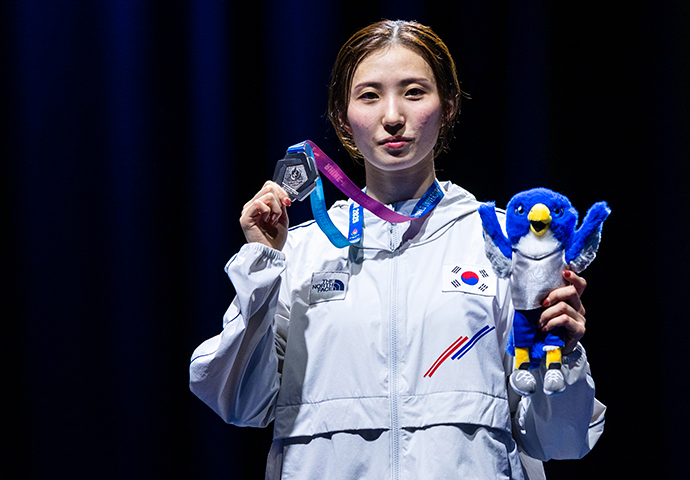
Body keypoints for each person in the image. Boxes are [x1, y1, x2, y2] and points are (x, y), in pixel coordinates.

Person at [190, 19, 605, 480]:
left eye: (413, 92)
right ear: (342, 116)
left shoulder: (506, 244)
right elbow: (239, 403)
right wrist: (263, 267)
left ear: (448, 107)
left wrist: (564, 354)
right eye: (369, 95)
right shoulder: (299, 253)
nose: (392, 115)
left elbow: (559, 440)